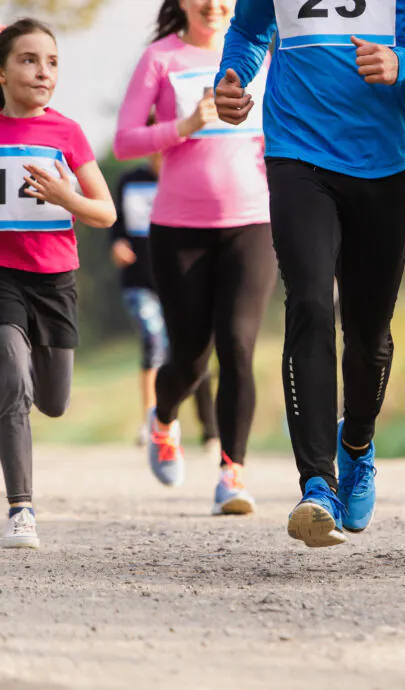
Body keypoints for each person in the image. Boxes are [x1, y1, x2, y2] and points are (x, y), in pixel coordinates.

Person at [214, 0, 405, 546]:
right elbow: (248, 31)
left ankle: (357, 444)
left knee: (369, 335)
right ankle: (317, 484)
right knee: (310, 303)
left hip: (380, 165)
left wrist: (404, 65)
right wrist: (232, 79)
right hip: (296, 154)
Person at [114, 0, 276, 516]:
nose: (213, 4)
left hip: (253, 222)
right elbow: (124, 141)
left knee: (238, 345)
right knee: (189, 357)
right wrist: (183, 125)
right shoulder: (160, 58)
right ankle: (163, 419)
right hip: (179, 228)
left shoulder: (264, 54)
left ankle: (233, 473)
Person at [0, 19, 116, 548]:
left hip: (54, 280)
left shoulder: (66, 133)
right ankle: (21, 509)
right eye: (28, 59)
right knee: (12, 378)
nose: (42, 71)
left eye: (51, 61)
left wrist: (66, 197)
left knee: (53, 401)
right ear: (3, 72)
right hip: (4, 277)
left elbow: (105, 213)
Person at [110, 114, 220, 454]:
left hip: (182, 278)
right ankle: (151, 418)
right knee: (154, 339)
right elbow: (116, 225)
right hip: (140, 281)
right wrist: (117, 244)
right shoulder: (129, 181)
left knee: (193, 349)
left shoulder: (189, 178)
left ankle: (210, 429)